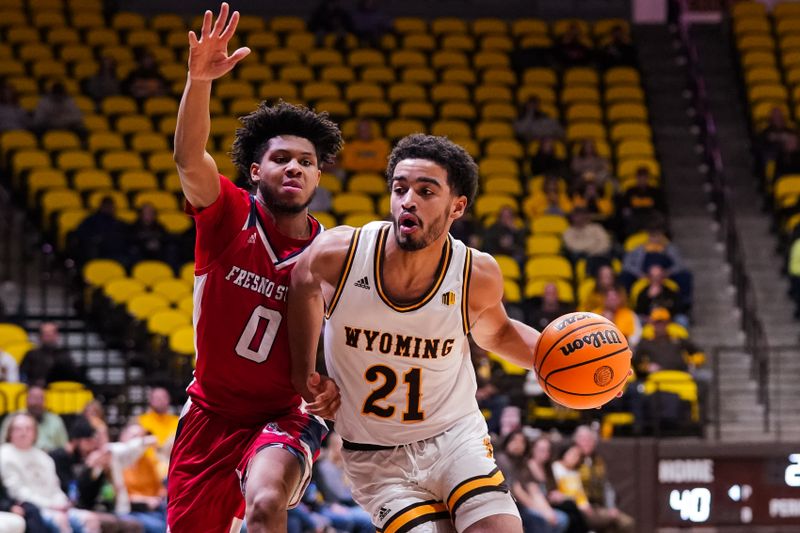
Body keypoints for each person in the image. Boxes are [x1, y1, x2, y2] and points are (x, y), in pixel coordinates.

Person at [289, 133, 548, 533]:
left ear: (457, 206)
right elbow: (300, 285)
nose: (408, 200)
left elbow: (498, 335)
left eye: (426, 191)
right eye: (400, 188)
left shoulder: (474, 274)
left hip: (453, 438)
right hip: (375, 457)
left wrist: (565, 367)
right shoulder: (339, 254)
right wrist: (306, 376)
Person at [167, 4, 342, 532]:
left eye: (306, 162)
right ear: (255, 170)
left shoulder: (332, 252)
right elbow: (189, 159)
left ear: (316, 178)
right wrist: (199, 81)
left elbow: (344, 339)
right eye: (282, 157)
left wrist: (333, 383)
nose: (295, 167)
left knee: (267, 502)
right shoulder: (227, 216)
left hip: (284, 414)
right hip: (209, 415)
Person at [0, 413, 101, 533]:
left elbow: (55, 487)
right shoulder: (4, 455)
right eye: (18, 429)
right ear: (10, 432)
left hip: (55, 505)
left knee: (90, 519)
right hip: (34, 508)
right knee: (60, 520)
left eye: (28, 428)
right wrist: (50, 505)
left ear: (35, 433)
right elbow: (17, 492)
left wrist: (62, 503)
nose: (24, 433)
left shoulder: (44, 457)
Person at [573, 426, 635, 533]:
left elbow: (607, 487)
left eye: (589, 440)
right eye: (583, 440)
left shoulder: (598, 461)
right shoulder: (572, 460)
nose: (586, 443)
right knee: (609, 521)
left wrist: (611, 507)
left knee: (627, 523)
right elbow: (568, 484)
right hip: (581, 507)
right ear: (576, 441)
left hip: (599, 506)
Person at [0, 385, 69, 452]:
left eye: (40, 398)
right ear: (26, 400)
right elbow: (3, 443)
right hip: (18, 456)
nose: (36, 402)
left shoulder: (55, 420)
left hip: (50, 457)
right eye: (33, 398)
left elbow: (64, 447)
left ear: (46, 401)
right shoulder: (13, 418)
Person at [19, 322, 87, 387]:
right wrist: (33, 385)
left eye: (52, 333)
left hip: (59, 391)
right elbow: (22, 376)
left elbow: (74, 376)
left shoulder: (64, 354)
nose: (49, 337)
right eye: (46, 334)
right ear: (40, 336)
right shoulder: (31, 354)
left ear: (57, 335)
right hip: (37, 392)